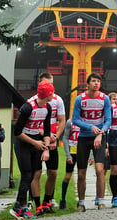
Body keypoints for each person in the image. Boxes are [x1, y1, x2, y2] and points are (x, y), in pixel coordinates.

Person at [10, 80, 54, 219]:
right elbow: (17, 132)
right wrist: (34, 142)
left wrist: (45, 148)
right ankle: (19, 206)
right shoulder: (28, 107)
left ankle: (22, 205)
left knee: (35, 174)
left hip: (36, 142)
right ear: (47, 94)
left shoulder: (47, 108)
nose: (53, 95)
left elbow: (47, 131)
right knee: (27, 174)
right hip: (24, 142)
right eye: (51, 92)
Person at [72, 72, 112, 211]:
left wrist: (101, 133)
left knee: (100, 170)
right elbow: (75, 119)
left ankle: (100, 200)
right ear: (88, 84)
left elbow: (108, 120)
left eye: (98, 81)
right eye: (93, 81)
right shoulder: (80, 99)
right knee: (81, 172)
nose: (96, 84)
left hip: (99, 137)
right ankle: (81, 202)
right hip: (84, 137)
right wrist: (90, 127)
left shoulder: (105, 98)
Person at [29, 72, 66, 212]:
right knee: (37, 173)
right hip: (38, 138)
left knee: (53, 172)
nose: (49, 87)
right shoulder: (32, 101)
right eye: (46, 84)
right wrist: (43, 134)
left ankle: (47, 201)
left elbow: (62, 120)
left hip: (52, 139)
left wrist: (55, 136)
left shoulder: (57, 100)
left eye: (51, 84)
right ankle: (36, 203)